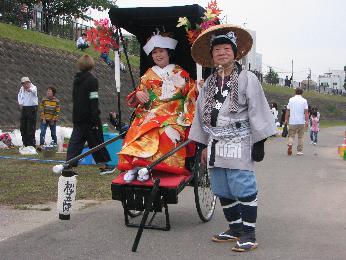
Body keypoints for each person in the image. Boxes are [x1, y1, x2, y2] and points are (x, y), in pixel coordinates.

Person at [188, 24, 276, 252]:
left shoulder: (248, 78)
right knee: (221, 188)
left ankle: (249, 233)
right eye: (217, 50)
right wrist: (201, 144)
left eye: (227, 48)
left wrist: (259, 142)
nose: (222, 53)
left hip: (240, 140)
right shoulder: (208, 83)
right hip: (215, 142)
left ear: (235, 53)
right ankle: (235, 228)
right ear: (212, 55)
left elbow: (258, 109)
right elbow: (201, 115)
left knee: (243, 186)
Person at [117, 32, 197, 182]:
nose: (158, 55)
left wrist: (196, 91)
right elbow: (139, 95)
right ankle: (134, 166)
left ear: (168, 53)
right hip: (151, 112)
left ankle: (149, 167)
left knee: (165, 131)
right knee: (136, 128)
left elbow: (191, 92)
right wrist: (139, 94)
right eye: (155, 52)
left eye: (161, 51)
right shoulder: (148, 74)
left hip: (173, 112)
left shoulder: (180, 72)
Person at [66, 55, 114, 175]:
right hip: (89, 117)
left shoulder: (77, 79)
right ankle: (103, 166)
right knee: (97, 141)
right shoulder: (92, 80)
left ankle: (68, 166)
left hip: (77, 116)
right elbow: (93, 99)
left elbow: (75, 98)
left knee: (75, 142)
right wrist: (95, 117)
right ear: (91, 65)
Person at [284, 87, 309, 156]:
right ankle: (299, 151)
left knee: (291, 136)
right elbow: (306, 112)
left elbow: (288, 110)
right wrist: (307, 121)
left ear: (295, 92)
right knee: (300, 137)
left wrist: (286, 119)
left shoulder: (291, 100)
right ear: (302, 93)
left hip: (292, 121)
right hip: (301, 121)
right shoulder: (304, 100)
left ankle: (290, 144)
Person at [18, 77, 38, 147]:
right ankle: (25, 144)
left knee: (30, 127)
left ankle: (31, 144)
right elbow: (19, 96)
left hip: (32, 108)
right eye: (23, 84)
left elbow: (33, 91)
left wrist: (29, 90)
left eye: (26, 83)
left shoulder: (34, 87)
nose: (25, 85)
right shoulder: (22, 88)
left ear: (29, 82)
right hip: (24, 108)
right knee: (23, 127)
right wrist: (20, 103)